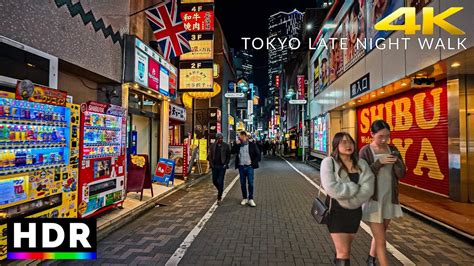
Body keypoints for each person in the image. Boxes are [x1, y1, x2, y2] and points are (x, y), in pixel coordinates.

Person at [320, 132, 375, 266]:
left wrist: (353, 200)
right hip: (336, 211)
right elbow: (331, 188)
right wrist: (354, 188)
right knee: (344, 252)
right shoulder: (329, 162)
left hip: (355, 212)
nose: (348, 145)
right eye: (343, 142)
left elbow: (368, 188)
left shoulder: (361, 164)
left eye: (350, 142)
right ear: (336, 145)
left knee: (345, 250)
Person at [359, 120, 406, 266]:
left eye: (387, 136)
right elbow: (362, 175)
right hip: (373, 199)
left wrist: (396, 161)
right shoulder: (365, 151)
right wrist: (380, 162)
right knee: (381, 239)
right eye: (381, 136)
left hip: (389, 197)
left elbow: (402, 173)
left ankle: (371, 258)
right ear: (372, 134)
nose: (384, 140)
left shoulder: (393, 149)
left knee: (382, 232)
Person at [232, 131, 261, 207]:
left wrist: (253, 163)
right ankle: (244, 198)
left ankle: (250, 198)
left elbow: (258, 154)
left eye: (240, 136)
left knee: (250, 183)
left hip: (249, 167)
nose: (239, 137)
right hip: (241, 167)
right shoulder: (238, 145)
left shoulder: (252, 145)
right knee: (242, 183)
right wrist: (235, 144)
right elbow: (232, 151)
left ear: (245, 136)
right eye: (238, 136)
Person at [207, 133, 231, 205]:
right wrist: (211, 164)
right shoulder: (212, 146)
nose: (220, 139)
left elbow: (228, 156)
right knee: (214, 180)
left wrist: (225, 164)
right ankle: (220, 190)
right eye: (219, 138)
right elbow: (210, 156)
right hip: (215, 166)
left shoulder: (226, 146)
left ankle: (219, 197)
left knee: (220, 181)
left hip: (222, 166)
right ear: (217, 139)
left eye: (221, 138)